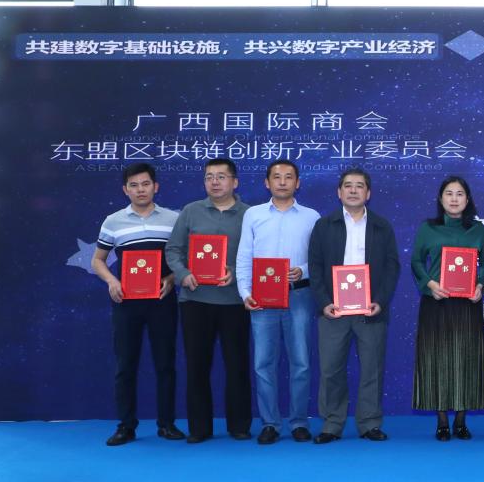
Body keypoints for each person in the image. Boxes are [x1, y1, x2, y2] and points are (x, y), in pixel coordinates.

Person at [307, 168, 401, 443]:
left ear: (368, 193)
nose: (353, 190)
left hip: (370, 311)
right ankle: (331, 424)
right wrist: (324, 302)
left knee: (372, 368)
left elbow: (392, 267)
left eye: (359, 186)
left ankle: (369, 423)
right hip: (333, 311)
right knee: (331, 369)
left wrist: (380, 302)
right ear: (339, 192)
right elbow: (315, 266)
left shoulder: (382, 226)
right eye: (347, 185)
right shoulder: (324, 225)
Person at [91, 163, 181, 446]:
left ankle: (166, 424)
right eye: (134, 185)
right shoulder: (113, 221)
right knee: (125, 365)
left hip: (162, 301)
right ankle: (126, 426)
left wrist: (171, 278)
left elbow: (185, 258)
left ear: (156, 187)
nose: (140, 190)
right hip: (126, 303)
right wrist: (111, 281)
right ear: (125, 190)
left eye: (145, 184)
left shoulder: (173, 219)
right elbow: (97, 260)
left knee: (165, 364)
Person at [165, 158, 252, 443]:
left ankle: (239, 425)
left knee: (237, 366)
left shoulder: (250, 214)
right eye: (209, 177)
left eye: (221, 176)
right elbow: (173, 249)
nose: (215, 182)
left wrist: (236, 273)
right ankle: (199, 428)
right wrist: (183, 274)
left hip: (235, 302)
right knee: (197, 366)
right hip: (195, 300)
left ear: (235, 182)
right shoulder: (191, 211)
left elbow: (257, 255)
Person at [235, 160, 320, 445]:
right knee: (263, 363)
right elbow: (244, 256)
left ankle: (299, 422)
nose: (282, 182)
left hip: (299, 295)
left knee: (301, 362)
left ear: (298, 183)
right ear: (267, 182)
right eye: (277, 177)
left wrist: (303, 270)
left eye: (288, 177)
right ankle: (270, 423)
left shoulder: (311, 216)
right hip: (262, 297)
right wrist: (245, 292)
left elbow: (320, 258)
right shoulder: (253, 215)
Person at [411, 176, 484, 441]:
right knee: (436, 361)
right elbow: (416, 261)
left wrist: (480, 285)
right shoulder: (428, 228)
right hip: (437, 302)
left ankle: (461, 421)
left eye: (459, 194)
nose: (454, 198)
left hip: (467, 304)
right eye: (449, 193)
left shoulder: (476, 230)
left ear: (467, 200)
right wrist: (430, 284)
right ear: (440, 198)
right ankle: (442, 421)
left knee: (466, 360)